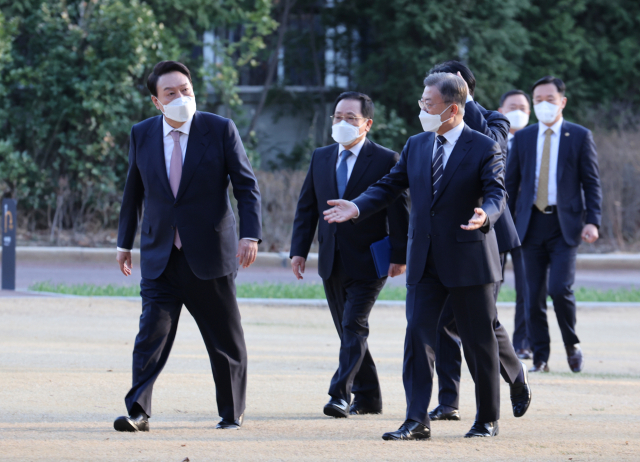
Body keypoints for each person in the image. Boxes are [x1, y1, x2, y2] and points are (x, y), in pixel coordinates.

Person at [324, 72, 506, 439]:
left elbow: (496, 192)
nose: (421, 108)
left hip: (470, 260)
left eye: (428, 104)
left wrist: (486, 214)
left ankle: (487, 418)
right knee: (417, 339)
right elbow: (389, 185)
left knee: (479, 342)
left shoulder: (484, 146)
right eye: (422, 101)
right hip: (424, 260)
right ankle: (416, 420)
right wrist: (357, 207)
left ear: (452, 109)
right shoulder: (417, 145)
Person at [114, 61, 262, 432]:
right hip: (160, 253)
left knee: (224, 338)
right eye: (171, 92)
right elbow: (133, 192)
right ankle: (138, 412)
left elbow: (246, 186)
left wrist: (250, 234)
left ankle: (231, 413)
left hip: (210, 252)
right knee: (150, 336)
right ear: (156, 101)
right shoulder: (142, 133)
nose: (181, 97)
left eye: (186, 89)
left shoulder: (219, 129)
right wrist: (124, 242)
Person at [422, 62, 530, 424]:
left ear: (462, 90)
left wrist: (465, 112)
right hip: (442, 238)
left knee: (478, 321)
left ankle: (513, 376)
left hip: (485, 233)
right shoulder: (433, 118)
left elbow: (490, 153)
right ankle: (448, 401)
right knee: (442, 322)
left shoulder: (496, 120)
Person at [290, 92, 409, 418]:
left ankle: (339, 395)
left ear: (367, 124)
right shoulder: (321, 156)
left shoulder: (387, 159)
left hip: (370, 259)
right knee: (348, 331)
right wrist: (298, 250)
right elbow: (307, 208)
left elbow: (399, 210)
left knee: (354, 325)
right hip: (332, 259)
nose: (342, 123)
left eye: (350, 118)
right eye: (337, 117)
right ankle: (369, 398)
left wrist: (401, 254)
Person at [506, 76, 602, 373]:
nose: (543, 105)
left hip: (565, 226)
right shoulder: (523, 138)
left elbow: (592, 183)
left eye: (549, 99)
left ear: (563, 101)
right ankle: (540, 356)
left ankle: (571, 343)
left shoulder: (580, 135)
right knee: (532, 296)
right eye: (538, 100)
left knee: (560, 289)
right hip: (530, 226)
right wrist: (501, 223)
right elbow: (509, 185)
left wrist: (593, 221)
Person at [498, 89, 533, 359]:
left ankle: (523, 342)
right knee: (489, 284)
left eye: (523, 107)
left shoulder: (537, 143)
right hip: (495, 223)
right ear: (501, 111)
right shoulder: (490, 139)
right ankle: (482, 336)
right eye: (513, 106)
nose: (518, 111)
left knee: (527, 287)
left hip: (528, 224)